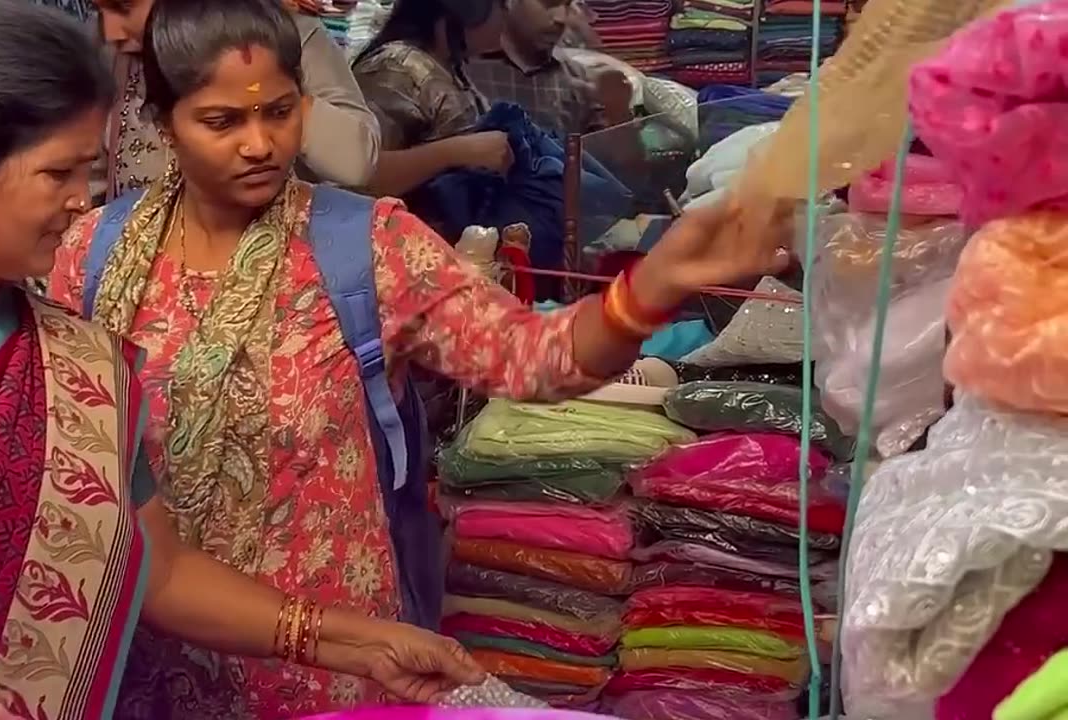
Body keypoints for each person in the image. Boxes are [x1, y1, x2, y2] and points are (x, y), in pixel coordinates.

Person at [48, 0, 791, 716]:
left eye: (279, 111)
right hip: (147, 661)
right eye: (222, 120)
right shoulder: (93, 258)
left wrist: (650, 290)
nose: (260, 143)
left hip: (331, 667)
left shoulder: (365, 247)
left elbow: (537, 358)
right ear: (161, 122)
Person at [0, 2, 482, 716]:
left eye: (86, 172)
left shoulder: (73, 358)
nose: (77, 202)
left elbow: (163, 570)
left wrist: (359, 642)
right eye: (58, 173)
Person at [95, 0, 380, 194]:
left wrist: (276, 93)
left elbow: (356, 163)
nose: (110, 31)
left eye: (124, 6)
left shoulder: (282, 36)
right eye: (99, 10)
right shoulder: (114, 59)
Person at [352, 0, 516, 196]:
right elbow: (359, 174)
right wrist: (455, 152)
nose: (507, 15)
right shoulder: (396, 67)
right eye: (501, 5)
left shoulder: (449, 68)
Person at [466, 0, 624, 138]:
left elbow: (605, 163)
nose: (561, 18)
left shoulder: (578, 79)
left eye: (567, 4)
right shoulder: (465, 70)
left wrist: (617, 114)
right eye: (549, 3)